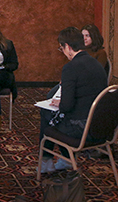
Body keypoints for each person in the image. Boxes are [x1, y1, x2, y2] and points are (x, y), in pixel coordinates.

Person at [39, 27, 108, 173]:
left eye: (61, 48)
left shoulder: (70, 68)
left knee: (46, 112)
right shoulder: (97, 64)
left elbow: (66, 106)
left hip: (81, 128)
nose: (63, 52)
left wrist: (61, 102)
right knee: (53, 114)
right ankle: (65, 159)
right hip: (101, 126)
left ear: (68, 47)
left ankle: (46, 162)